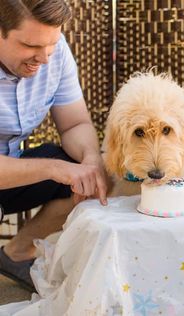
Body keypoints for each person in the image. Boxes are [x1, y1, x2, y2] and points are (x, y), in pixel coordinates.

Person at [0, 0, 108, 292]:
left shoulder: (55, 54)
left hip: (12, 170)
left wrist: (90, 162)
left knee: (80, 174)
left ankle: (17, 253)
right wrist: (55, 168)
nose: (44, 58)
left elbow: (75, 125)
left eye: (51, 44)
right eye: (31, 45)